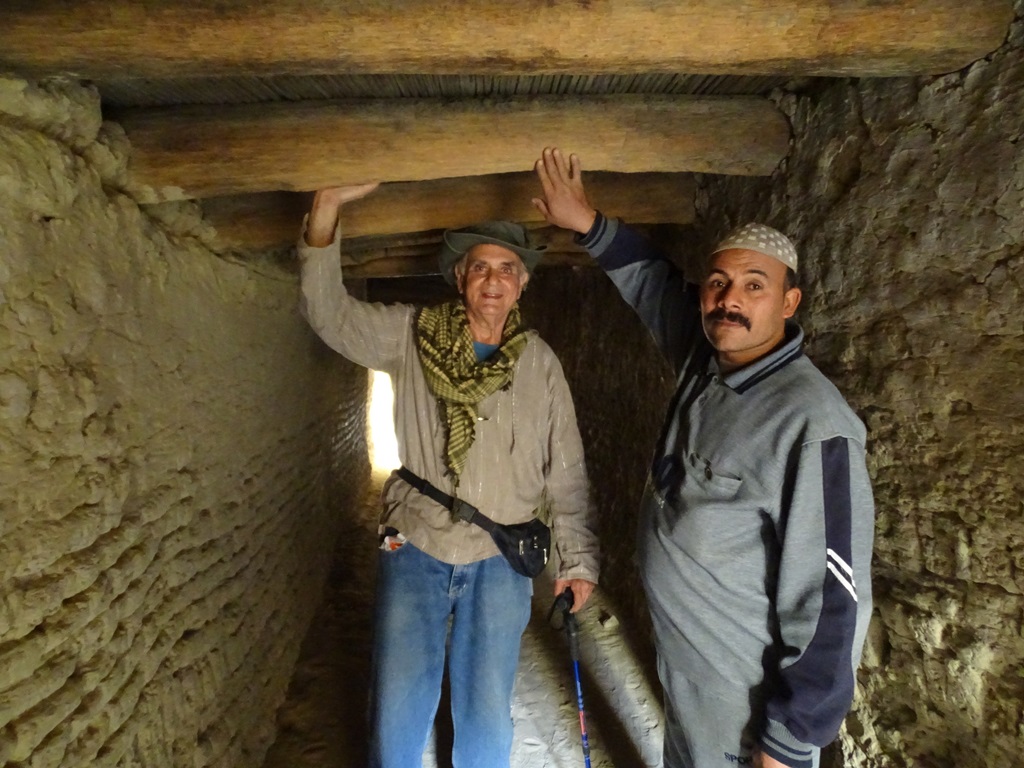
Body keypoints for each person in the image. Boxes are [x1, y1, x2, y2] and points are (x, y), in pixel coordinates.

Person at [533, 147, 874, 768]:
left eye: (754, 286)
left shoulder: (812, 426)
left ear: (789, 303)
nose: (729, 299)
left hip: (745, 700)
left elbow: (833, 600)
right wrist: (586, 223)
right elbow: (654, 283)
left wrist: (791, 739)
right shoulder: (707, 357)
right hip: (687, 674)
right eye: (718, 283)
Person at [297, 183, 600, 768]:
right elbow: (326, 313)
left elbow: (567, 471)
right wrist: (326, 211)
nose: (493, 279)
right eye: (480, 267)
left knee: (487, 708)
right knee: (399, 702)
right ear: (460, 278)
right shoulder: (409, 334)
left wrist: (578, 562)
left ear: (523, 283)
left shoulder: (540, 364)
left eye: (507, 268)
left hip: (500, 555)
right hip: (416, 541)